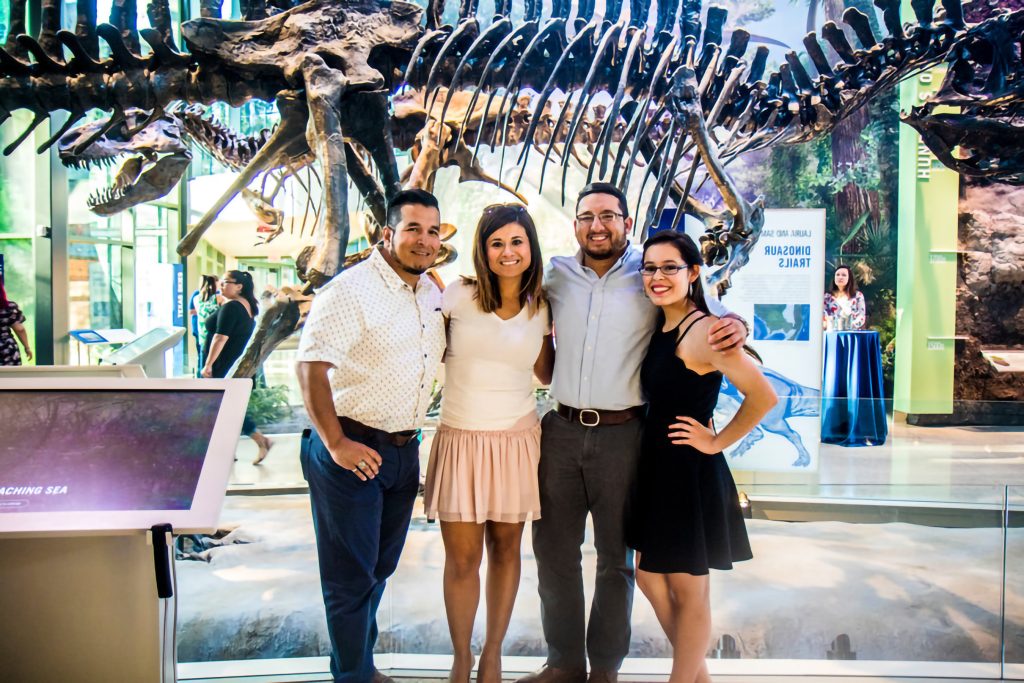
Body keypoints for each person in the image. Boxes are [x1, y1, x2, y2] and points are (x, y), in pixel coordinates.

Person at [521, 183, 747, 683]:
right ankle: (562, 664)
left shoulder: (649, 275)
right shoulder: (555, 276)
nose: (596, 226)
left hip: (625, 435)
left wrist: (736, 324)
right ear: (575, 224)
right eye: (586, 217)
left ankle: (604, 668)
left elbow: (695, 313)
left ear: (626, 221)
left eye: (608, 215)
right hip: (559, 429)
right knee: (553, 552)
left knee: (616, 559)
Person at [295, 188, 446, 683]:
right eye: (413, 229)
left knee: (377, 570)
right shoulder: (350, 289)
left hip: (402, 452)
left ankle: (357, 667)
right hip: (351, 450)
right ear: (388, 233)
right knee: (349, 577)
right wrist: (337, 444)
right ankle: (354, 676)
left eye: (432, 230)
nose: (424, 240)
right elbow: (310, 367)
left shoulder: (430, 291)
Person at [630, 231, 776, 683]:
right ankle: (700, 678)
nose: (657, 276)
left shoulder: (704, 332)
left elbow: (763, 397)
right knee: (650, 577)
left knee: (688, 587)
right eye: (650, 267)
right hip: (659, 466)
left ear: (693, 273)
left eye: (670, 267)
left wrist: (716, 441)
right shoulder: (664, 323)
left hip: (687, 470)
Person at [423, 204, 555, 683]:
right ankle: (461, 656)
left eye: (516, 241)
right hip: (460, 438)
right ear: (482, 249)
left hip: (517, 440)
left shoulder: (543, 305)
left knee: (506, 552)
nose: (507, 252)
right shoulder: (457, 295)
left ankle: (492, 655)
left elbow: (546, 372)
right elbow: (422, 345)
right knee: (462, 560)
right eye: (496, 242)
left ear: (530, 247)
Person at [200, 270, 273, 464]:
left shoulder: (232, 307)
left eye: (225, 282)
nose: (221, 286)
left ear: (239, 286)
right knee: (226, 408)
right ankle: (228, 450)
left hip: (222, 366)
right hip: (234, 365)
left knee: (222, 408)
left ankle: (260, 439)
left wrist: (208, 365)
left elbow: (220, 337)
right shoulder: (247, 306)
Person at [823, 265, 866, 331]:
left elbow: (861, 316)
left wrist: (850, 326)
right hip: (832, 334)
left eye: (844, 275)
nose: (840, 277)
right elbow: (823, 317)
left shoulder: (858, 296)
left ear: (849, 278)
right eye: (837, 275)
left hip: (851, 334)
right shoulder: (826, 297)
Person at [0, 281, 32, 366]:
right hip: (6, 348)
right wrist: (27, 348)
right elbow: (19, 329)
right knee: (11, 377)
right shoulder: (9, 307)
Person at [194, 275, 220, 368]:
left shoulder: (196, 298)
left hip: (202, 335)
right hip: (216, 335)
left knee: (203, 361)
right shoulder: (218, 298)